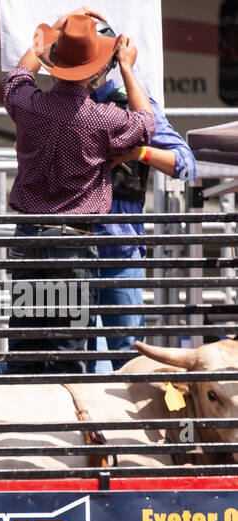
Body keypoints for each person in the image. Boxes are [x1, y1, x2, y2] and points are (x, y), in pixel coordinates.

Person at [0, 9, 153, 376]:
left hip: (30, 236)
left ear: (55, 60)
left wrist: (50, 39)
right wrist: (128, 67)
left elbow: (15, 78)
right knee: (68, 345)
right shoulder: (102, 119)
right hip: (74, 239)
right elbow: (146, 125)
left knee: (25, 339)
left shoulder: (28, 104)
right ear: (99, 69)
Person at [88, 17, 196, 373]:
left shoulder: (133, 104)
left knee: (127, 358)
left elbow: (185, 164)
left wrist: (138, 152)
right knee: (76, 354)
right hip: (73, 250)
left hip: (116, 248)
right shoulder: (55, 105)